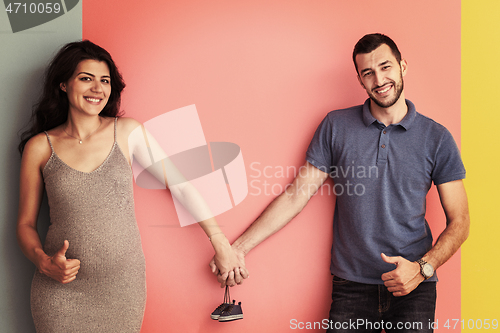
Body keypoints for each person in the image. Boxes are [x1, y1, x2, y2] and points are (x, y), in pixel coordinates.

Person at [210, 33, 469, 332]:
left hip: (414, 284)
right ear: (360, 80)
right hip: (352, 285)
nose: (379, 79)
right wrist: (238, 249)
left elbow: (460, 220)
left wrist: (423, 269)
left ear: (403, 67)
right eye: (368, 72)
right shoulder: (336, 126)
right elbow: (297, 195)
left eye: (385, 67)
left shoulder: (436, 138)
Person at [16, 40, 247, 333]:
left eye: (105, 81)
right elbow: (24, 223)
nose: (97, 89)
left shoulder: (127, 132)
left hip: (122, 288)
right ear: (63, 84)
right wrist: (43, 262)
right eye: (86, 78)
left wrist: (221, 244)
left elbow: (182, 187)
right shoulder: (40, 147)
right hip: (60, 291)